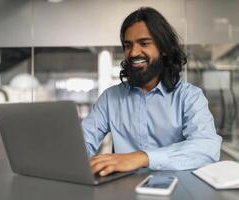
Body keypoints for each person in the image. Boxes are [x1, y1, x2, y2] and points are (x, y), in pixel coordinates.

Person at [82, 7, 222, 177]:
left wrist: (142, 158)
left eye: (144, 43)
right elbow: (83, 141)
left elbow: (207, 148)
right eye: (128, 45)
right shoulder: (111, 98)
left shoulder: (189, 97)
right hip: (123, 190)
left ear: (163, 48)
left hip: (178, 189)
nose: (133, 52)